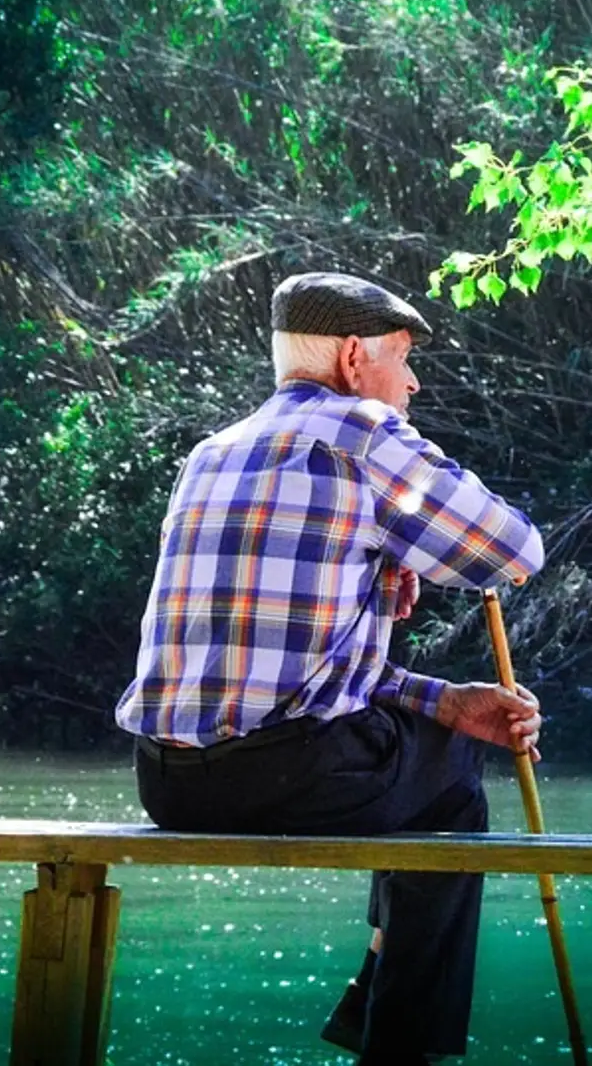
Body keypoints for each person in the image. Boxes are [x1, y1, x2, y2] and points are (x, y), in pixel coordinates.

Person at [114, 271, 546, 1065]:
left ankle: (373, 995)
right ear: (354, 358)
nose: (411, 381)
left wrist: (442, 697)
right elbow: (514, 552)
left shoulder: (211, 454)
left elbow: (292, 668)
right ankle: (399, 1044)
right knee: (450, 780)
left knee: (435, 735)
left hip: (165, 779)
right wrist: (404, 519)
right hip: (288, 771)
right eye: (404, 357)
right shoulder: (365, 435)